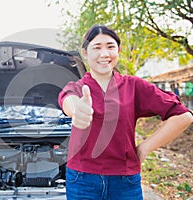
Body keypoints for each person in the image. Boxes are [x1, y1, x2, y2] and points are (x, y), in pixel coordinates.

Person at [58, 24, 193, 200]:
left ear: (119, 50)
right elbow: (67, 99)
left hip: (125, 182)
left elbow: (183, 116)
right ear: (85, 53)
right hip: (82, 180)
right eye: (97, 48)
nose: (104, 54)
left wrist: (145, 148)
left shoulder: (134, 86)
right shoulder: (77, 87)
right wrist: (76, 110)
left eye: (110, 47)